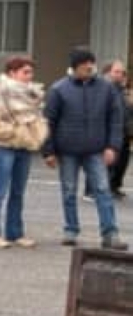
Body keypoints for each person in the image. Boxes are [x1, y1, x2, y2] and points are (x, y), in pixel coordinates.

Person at [42, 48, 126, 249]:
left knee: (103, 190)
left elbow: (115, 120)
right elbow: (48, 122)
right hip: (67, 150)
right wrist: (48, 151)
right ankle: (70, 230)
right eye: (84, 64)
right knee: (69, 191)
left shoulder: (106, 88)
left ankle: (110, 233)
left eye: (91, 63)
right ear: (74, 67)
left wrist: (113, 147)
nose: (89, 67)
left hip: (96, 149)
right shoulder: (59, 89)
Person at [0, 57, 46, 249]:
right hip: (5, 147)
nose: (29, 76)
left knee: (18, 192)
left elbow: (37, 118)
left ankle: (15, 232)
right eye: (25, 72)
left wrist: (36, 133)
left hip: (24, 146)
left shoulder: (33, 93)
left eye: (31, 72)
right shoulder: (0, 92)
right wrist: (15, 132)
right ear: (12, 73)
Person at [108, 59, 131, 199]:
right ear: (110, 72)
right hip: (113, 131)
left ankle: (115, 186)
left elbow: (127, 110)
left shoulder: (123, 90)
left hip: (125, 131)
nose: (119, 75)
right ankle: (108, 187)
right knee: (113, 162)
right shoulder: (106, 88)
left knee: (123, 161)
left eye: (122, 72)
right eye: (116, 72)